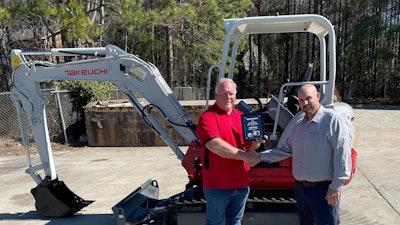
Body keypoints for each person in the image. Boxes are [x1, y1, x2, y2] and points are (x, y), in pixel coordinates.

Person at [258, 84, 352, 225]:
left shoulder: (332, 120)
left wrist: (336, 186)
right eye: (301, 100)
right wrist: (258, 156)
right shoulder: (299, 125)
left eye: (308, 98)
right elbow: (285, 150)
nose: (305, 103)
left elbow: (343, 154)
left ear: (318, 97)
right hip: (301, 190)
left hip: (323, 191)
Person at [196, 78, 262, 225]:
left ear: (236, 94)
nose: (228, 97)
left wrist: (256, 145)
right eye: (224, 93)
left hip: (241, 183)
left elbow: (248, 147)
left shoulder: (240, 116)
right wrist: (244, 156)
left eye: (231, 94)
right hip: (217, 185)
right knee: (215, 222)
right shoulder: (208, 117)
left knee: (235, 221)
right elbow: (214, 145)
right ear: (216, 95)